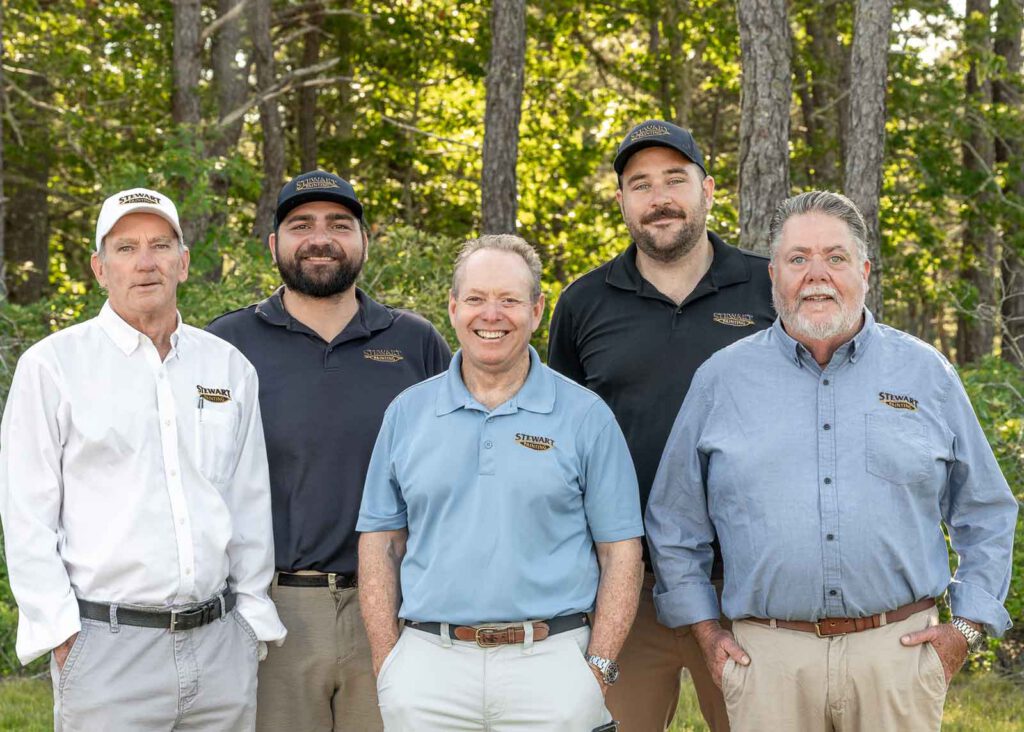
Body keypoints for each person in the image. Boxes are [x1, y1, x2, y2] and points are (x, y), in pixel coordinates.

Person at [647, 190, 1019, 732]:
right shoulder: (721, 381)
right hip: (767, 663)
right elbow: (674, 520)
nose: (816, 274)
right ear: (773, 276)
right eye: (798, 259)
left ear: (864, 271)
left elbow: (985, 509)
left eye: (835, 258)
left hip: (898, 656)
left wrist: (964, 628)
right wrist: (705, 631)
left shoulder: (925, 374)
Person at [0, 188, 284, 731]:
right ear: (99, 267)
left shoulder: (228, 369)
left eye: (160, 245)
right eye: (126, 247)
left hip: (220, 647)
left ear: (183, 262)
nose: (145, 261)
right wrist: (62, 635)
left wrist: (250, 623)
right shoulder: (53, 367)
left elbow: (248, 504)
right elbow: (27, 516)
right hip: (107, 650)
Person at [357, 234, 644, 732]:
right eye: (476, 299)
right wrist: (388, 663)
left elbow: (621, 552)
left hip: (552, 666)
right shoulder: (407, 413)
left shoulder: (585, 416)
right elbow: (381, 543)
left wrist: (596, 670)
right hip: (429, 669)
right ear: (452, 308)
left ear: (536, 311)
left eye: (509, 300)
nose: (492, 315)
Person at [547, 119, 775, 731]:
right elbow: (559, 443)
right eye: (640, 184)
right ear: (621, 200)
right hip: (626, 584)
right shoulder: (583, 303)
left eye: (675, 179)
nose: (660, 197)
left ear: (708, 188)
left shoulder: (770, 285)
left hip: (747, 584)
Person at [207, 170, 450, 732]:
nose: (321, 237)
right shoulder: (226, 345)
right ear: (273, 245)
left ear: (365, 241)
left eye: (339, 224)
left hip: (396, 604)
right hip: (275, 608)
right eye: (301, 225)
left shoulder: (414, 342)